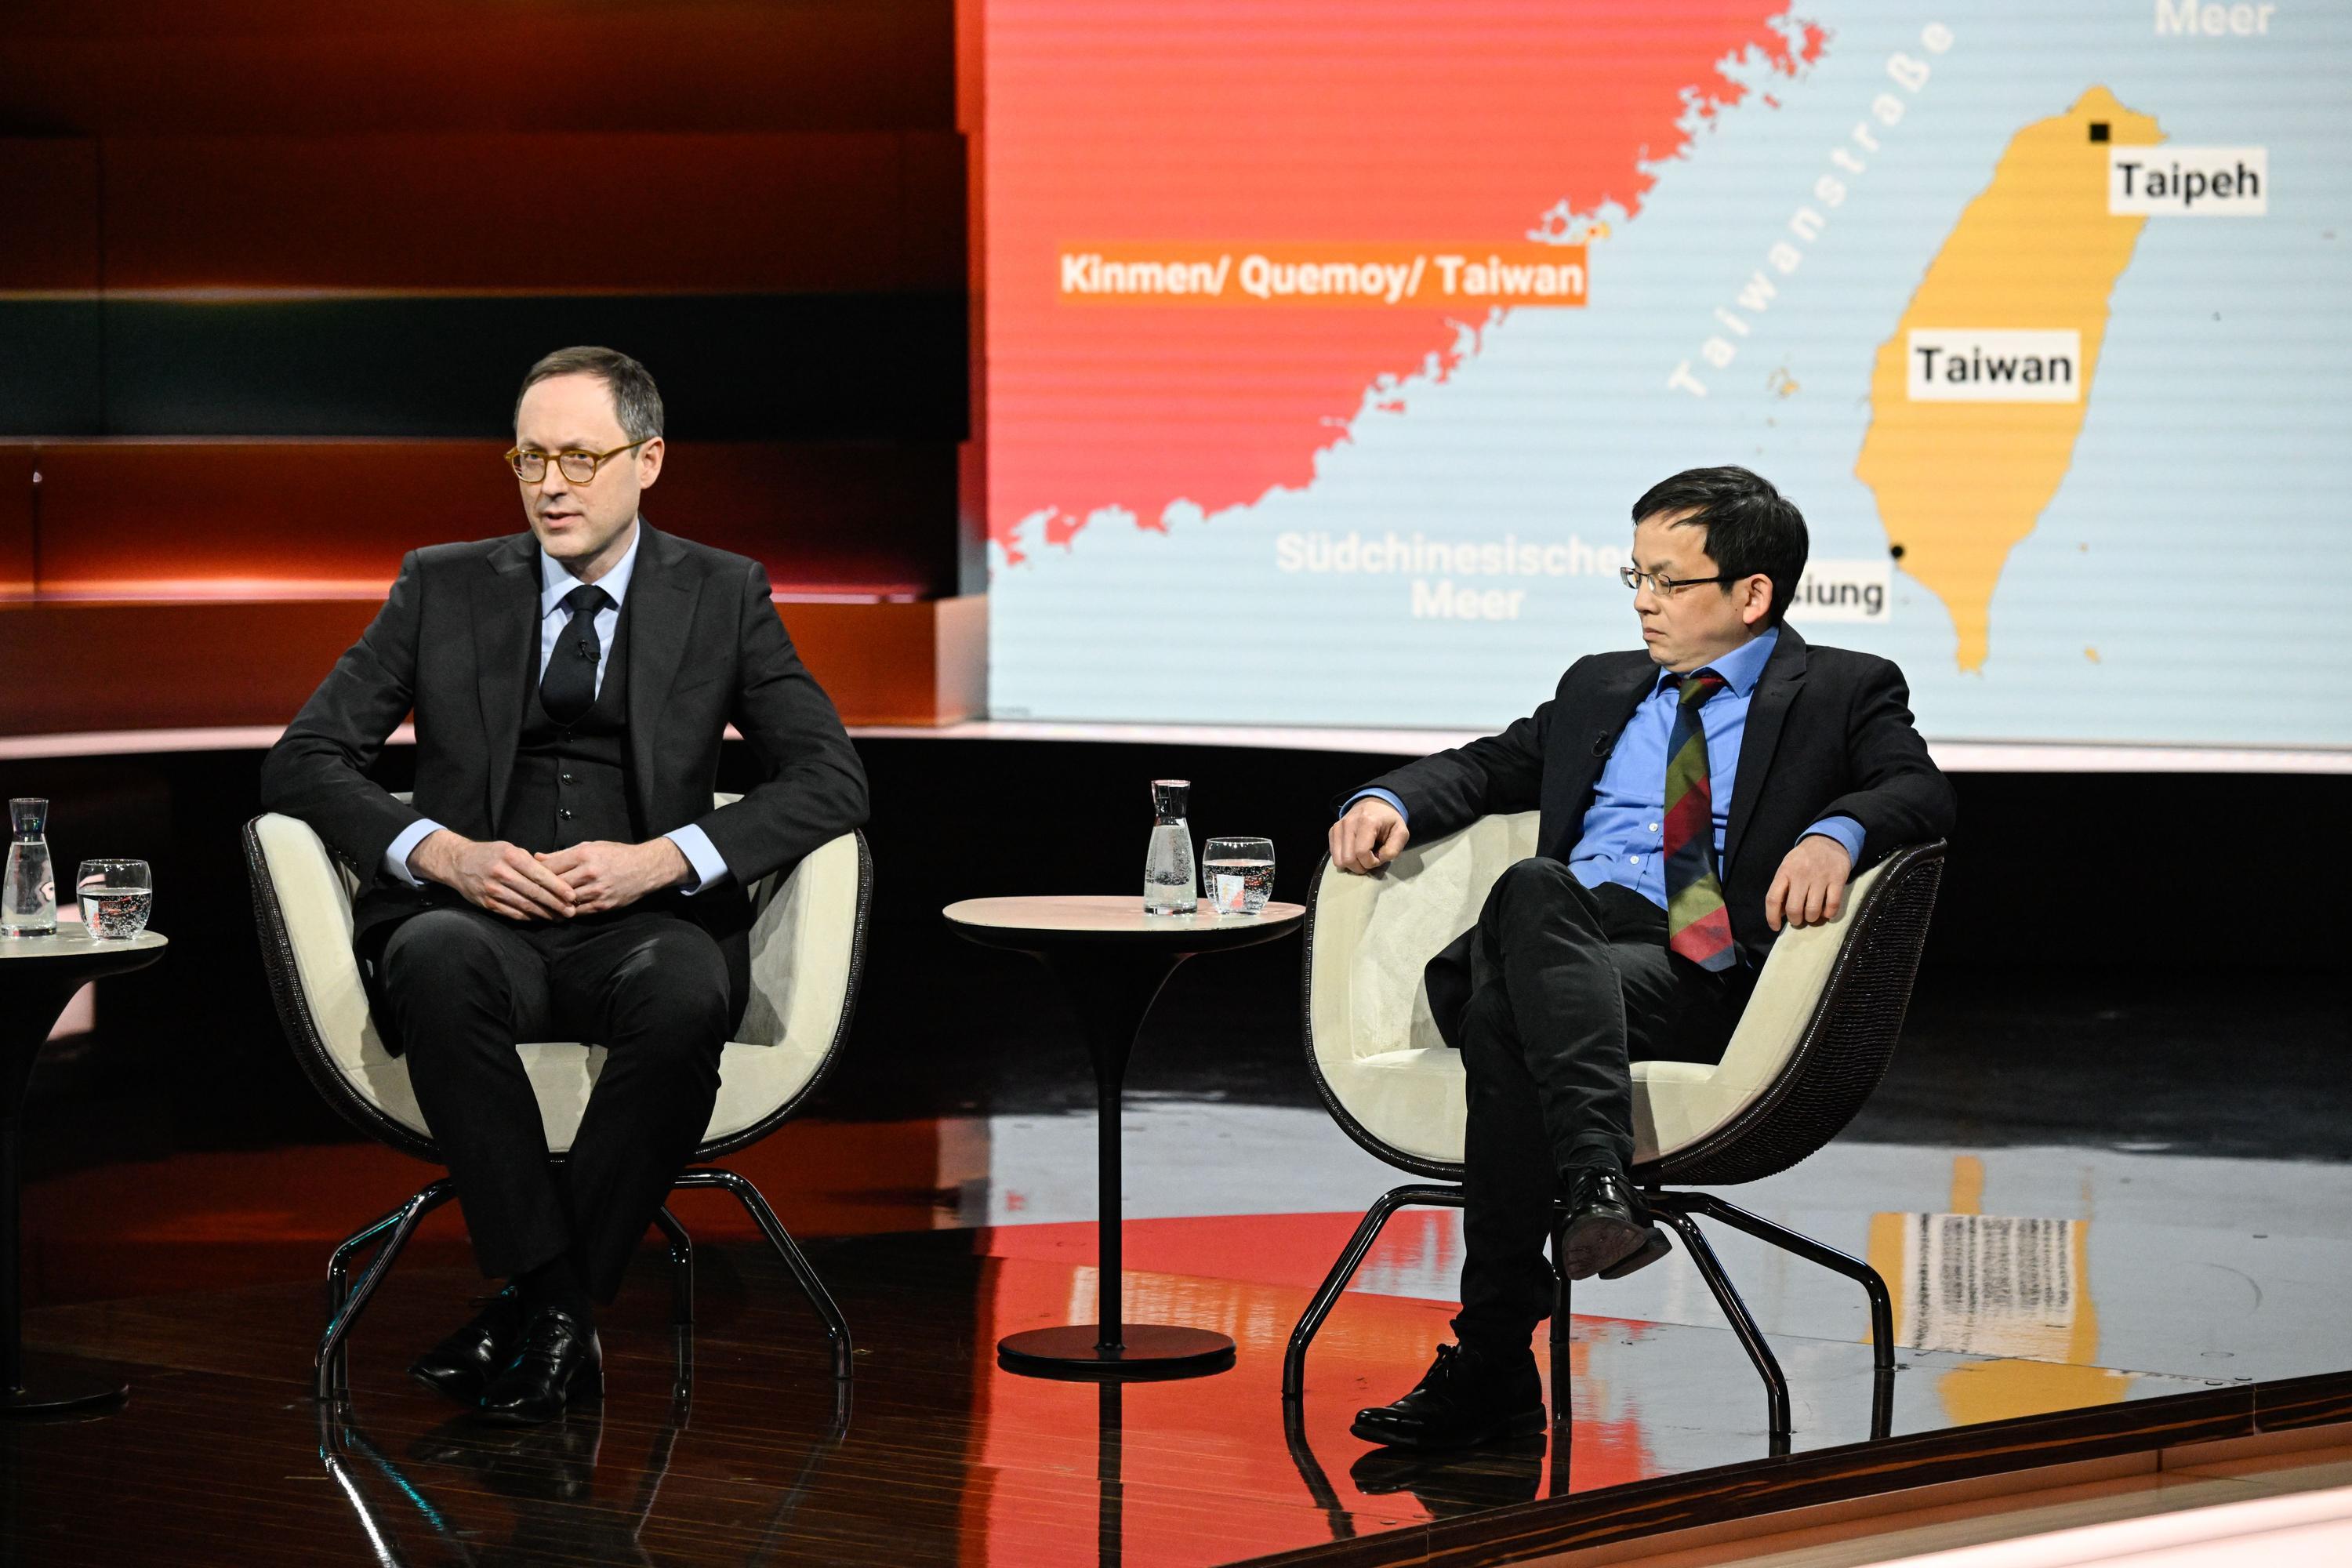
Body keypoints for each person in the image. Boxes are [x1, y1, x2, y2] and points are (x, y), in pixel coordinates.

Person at [260, 346, 868, 1424]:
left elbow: (831, 776)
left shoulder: (722, 593)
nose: (550, 485)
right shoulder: (441, 584)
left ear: (649, 459)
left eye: (580, 458)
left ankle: (538, 1308)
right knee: (434, 961)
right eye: (530, 458)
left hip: (643, 925)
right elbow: (304, 758)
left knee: (684, 991)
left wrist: (665, 857)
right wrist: (442, 853)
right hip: (472, 921)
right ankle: (559, 1308)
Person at [1330, 466, 1953, 1450]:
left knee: (1504, 1013)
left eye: (1669, 580)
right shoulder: (1600, 684)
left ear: (1753, 593)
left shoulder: (1842, 689)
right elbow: (1490, 765)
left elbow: (1918, 790)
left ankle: (1493, 1364)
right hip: (1565, 938)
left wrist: (1836, 832)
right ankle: (1597, 1188)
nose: (1643, 601)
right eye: (1636, 575)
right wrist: (1390, 799)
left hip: (1692, 970)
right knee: (1537, 892)